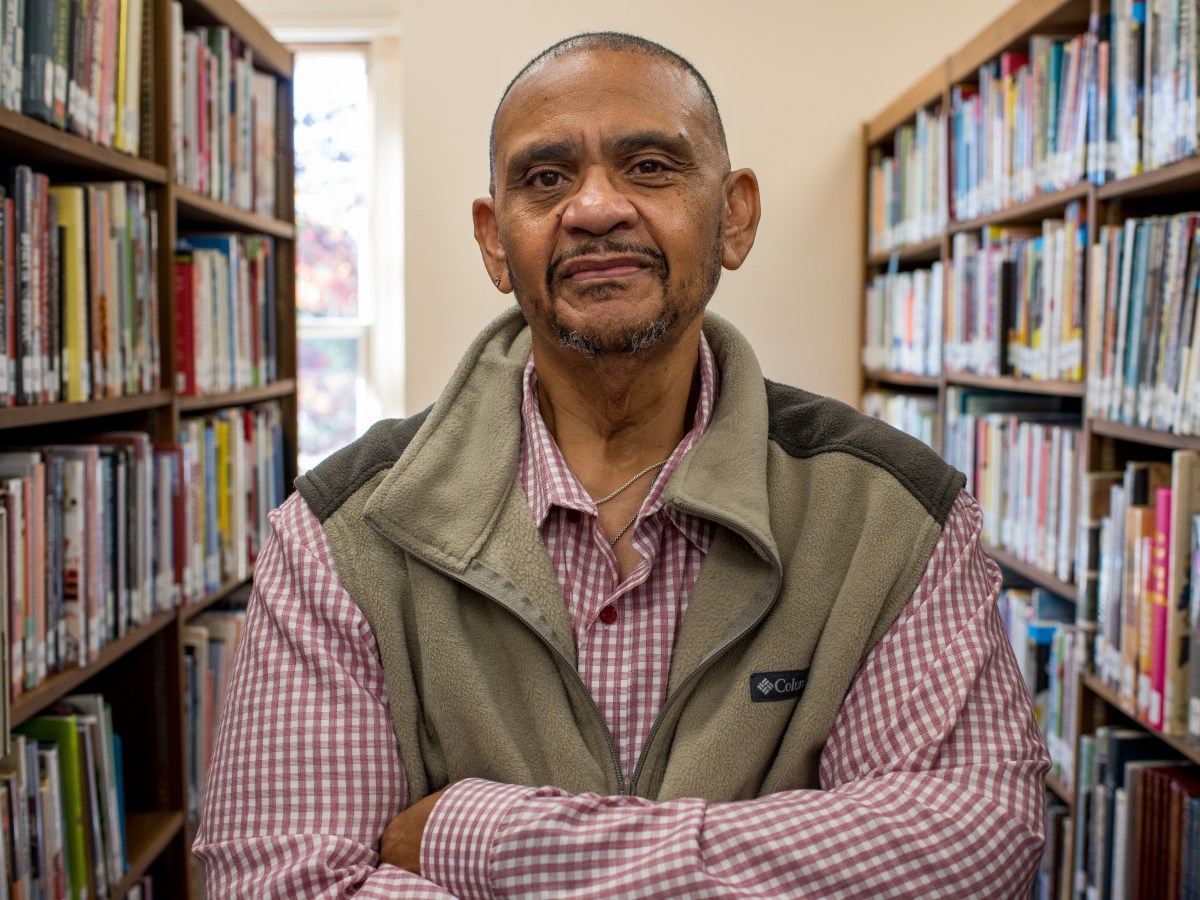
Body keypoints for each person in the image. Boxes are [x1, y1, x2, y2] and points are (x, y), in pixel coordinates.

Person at [194, 32, 1050, 898]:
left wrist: (483, 837)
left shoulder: (892, 516)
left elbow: (972, 846)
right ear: (495, 242)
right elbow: (279, 882)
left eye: (649, 167)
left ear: (735, 215)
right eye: (545, 179)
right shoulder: (339, 535)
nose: (596, 207)